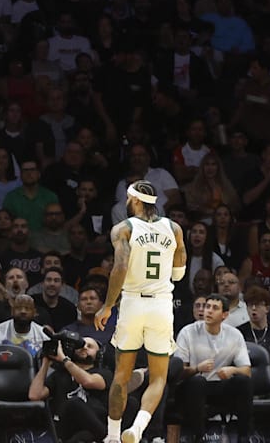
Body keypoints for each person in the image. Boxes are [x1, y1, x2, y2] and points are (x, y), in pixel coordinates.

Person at [96, 180, 187, 443]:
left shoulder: (123, 229)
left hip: (133, 303)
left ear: (134, 200)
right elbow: (179, 272)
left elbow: (120, 267)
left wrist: (108, 305)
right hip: (160, 303)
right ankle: (137, 428)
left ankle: (113, 436)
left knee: (121, 375)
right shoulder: (174, 228)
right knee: (159, 377)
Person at [173, 294, 253, 443]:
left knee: (243, 382)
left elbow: (247, 371)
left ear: (225, 315)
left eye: (214, 308)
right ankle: (199, 436)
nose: (208, 311)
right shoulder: (187, 332)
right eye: (207, 307)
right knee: (198, 382)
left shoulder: (234, 335)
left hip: (220, 386)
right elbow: (179, 373)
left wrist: (233, 370)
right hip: (192, 387)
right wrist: (197, 368)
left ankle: (244, 436)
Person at [29, 335, 122, 443]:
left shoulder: (104, 373)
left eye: (90, 346)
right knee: (74, 403)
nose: (84, 347)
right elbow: (34, 395)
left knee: (85, 436)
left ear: (99, 354)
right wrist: (45, 363)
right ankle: (108, 439)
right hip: (67, 427)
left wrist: (64, 360)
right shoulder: (60, 374)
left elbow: (88, 381)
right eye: (81, 344)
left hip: (95, 426)